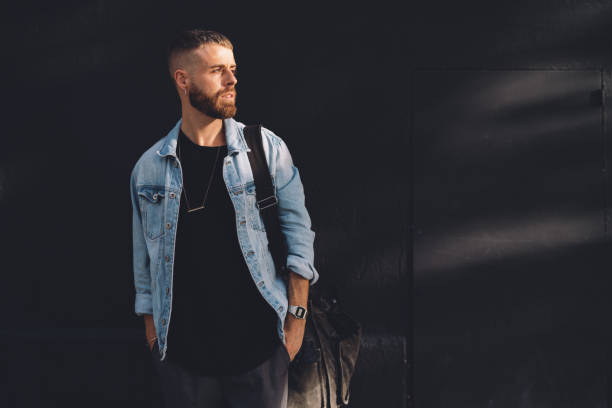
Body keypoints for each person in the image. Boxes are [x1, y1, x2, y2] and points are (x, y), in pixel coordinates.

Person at [129, 29, 318, 408]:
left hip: (260, 356)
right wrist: (154, 340)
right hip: (183, 362)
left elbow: (300, 236)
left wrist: (294, 324)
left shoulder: (264, 149)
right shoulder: (150, 168)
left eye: (232, 69)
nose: (232, 80)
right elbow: (144, 268)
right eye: (218, 70)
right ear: (183, 80)